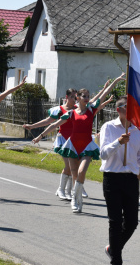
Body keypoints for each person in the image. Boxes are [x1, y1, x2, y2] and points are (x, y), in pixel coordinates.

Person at [33, 74, 124, 213]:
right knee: (74, 174)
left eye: (88, 96)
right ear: (78, 98)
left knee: (82, 171)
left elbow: (104, 94)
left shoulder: (92, 109)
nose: (87, 98)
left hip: (87, 145)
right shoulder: (71, 114)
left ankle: (75, 197)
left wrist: (116, 80)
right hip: (73, 146)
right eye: (84, 96)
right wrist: (40, 136)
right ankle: (76, 200)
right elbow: (55, 124)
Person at [99, 97, 140, 265]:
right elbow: (103, 154)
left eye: (133, 108)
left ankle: (113, 249)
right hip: (112, 178)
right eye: (126, 107)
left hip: (131, 179)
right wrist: (118, 142)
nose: (130, 111)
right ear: (118, 110)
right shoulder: (109, 127)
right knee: (115, 222)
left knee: (132, 223)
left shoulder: (138, 133)